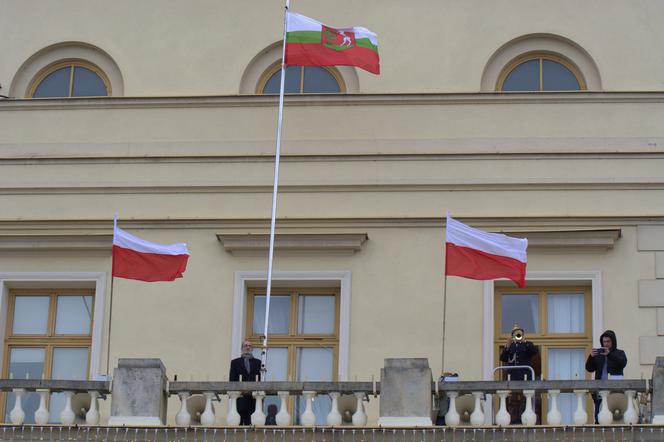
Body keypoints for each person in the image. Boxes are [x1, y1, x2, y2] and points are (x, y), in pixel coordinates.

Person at [585, 330, 627, 422]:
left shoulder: (620, 353)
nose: (606, 344)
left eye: (608, 341)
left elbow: (622, 363)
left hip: (615, 392)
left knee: (615, 418)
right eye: (604, 341)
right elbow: (589, 368)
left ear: (613, 341)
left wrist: (610, 354)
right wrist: (591, 357)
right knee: (599, 418)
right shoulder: (599, 354)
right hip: (600, 391)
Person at [500, 324, 539, 423]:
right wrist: (507, 346)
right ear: (512, 336)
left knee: (525, 400)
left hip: (525, 377)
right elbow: (503, 358)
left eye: (519, 333)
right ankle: (513, 420)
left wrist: (524, 341)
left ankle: (524, 420)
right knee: (513, 401)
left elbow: (535, 351)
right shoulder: (510, 346)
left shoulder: (527, 344)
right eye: (516, 334)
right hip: (513, 377)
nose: (518, 336)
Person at [229, 340, 262, 425]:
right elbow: (232, 379)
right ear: (241, 348)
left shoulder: (257, 362)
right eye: (245, 345)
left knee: (251, 423)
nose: (248, 347)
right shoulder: (235, 362)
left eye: (250, 346)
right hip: (240, 398)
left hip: (252, 398)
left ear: (252, 349)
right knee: (238, 423)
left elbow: (259, 380)